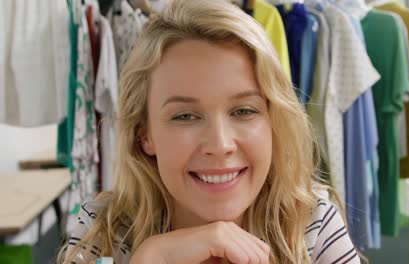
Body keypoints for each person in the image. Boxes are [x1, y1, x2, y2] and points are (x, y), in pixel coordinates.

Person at [58, 0, 361, 263]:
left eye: (244, 111)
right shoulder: (102, 232)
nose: (220, 145)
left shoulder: (312, 226)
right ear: (143, 134)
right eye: (185, 116)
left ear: (273, 121)